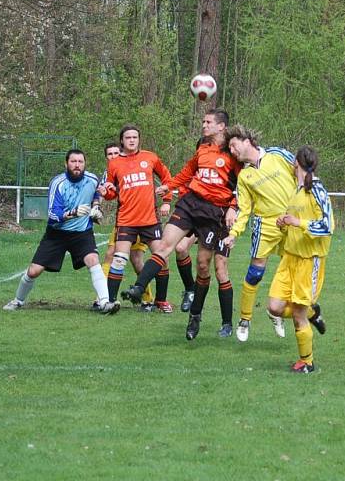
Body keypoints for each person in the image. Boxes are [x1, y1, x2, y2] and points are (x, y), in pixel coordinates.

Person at [120, 109, 242, 340]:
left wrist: (233, 207)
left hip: (214, 214)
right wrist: (170, 185)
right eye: (203, 121)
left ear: (221, 127)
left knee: (206, 266)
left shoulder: (233, 152)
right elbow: (188, 172)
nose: (203, 125)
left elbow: (243, 186)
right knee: (166, 245)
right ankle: (138, 287)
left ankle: (197, 316)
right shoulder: (202, 147)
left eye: (208, 122)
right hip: (191, 203)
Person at [224, 125, 325, 342]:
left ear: (246, 140)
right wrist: (234, 233)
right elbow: (244, 209)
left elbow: (302, 170)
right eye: (229, 148)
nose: (232, 151)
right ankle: (245, 319)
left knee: (292, 269)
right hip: (265, 225)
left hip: (291, 221)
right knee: (255, 272)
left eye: (233, 145)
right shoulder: (244, 176)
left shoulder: (278, 154)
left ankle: (278, 311)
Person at [4, 149, 116, 312]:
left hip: (82, 232)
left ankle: (105, 303)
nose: (77, 165)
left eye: (80, 162)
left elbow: (97, 194)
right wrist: (72, 213)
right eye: (73, 161)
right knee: (34, 271)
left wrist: (96, 207)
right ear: (66, 164)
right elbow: (52, 214)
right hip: (57, 234)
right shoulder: (58, 183)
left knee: (93, 260)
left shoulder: (92, 179)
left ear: (84, 164)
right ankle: (18, 300)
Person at [266, 146, 333, 373]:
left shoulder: (318, 190)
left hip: (309, 260)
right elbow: (295, 222)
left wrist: (298, 223)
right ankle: (313, 313)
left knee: (297, 315)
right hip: (289, 259)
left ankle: (307, 362)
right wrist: (284, 226)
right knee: (274, 307)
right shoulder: (296, 191)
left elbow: (327, 226)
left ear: (296, 162)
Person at [98, 125, 174, 312]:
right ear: (122, 141)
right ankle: (111, 301)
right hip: (126, 221)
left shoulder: (150, 157)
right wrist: (106, 192)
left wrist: (166, 201)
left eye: (134, 137)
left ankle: (161, 301)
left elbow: (168, 179)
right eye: (127, 137)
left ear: (139, 139)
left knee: (162, 258)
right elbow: (111, 193)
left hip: (150, 220)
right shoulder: (114, 163)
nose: (131, 140)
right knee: (119, 260)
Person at [95, 142, 156, 311]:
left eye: (116, 152)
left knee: (136, 259)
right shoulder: (110, 172)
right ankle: (103, 297)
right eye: (110, 154)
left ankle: (148, 299)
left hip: (142, 221)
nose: (114, 156)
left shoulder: (133, 165)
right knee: (110, 255)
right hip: (123, 223)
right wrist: (98, 204)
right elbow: (105, 194)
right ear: (106, 157)